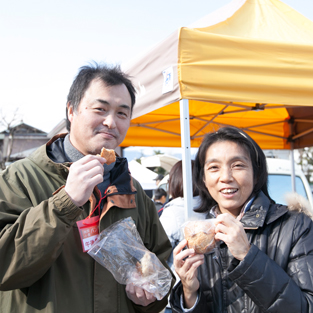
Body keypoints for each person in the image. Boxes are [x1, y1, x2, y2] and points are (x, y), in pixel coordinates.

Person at [0, 63, 174, 313]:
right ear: (71, 111)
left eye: (122, 113)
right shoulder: (18, 179)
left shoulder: (132, 190)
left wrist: (151, 294)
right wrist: (65, 202)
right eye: (100, 109)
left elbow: (160, 271)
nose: (111, 122)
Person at [170, 126, 313, 312]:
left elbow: (306, 307)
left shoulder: (296, 226)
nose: (226, 177)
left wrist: (247, 256)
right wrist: (189, 292)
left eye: (237, 165)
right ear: (203, 179)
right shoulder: (201, 236)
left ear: (257, 173)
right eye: (214, 167)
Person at [160, 160, 206, 313]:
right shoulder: (213, 208)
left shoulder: (173, 212)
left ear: (175, 181)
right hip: (210, 292)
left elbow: (158, 253)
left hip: (179, 294)